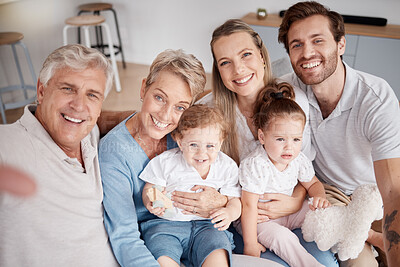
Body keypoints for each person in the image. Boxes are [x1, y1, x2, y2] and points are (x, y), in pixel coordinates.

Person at [195, 18, 338, 266]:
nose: (238, 70)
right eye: (225, 63)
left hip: (294, 208)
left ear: (262, 56)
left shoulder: (293, 102)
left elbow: (300, 166)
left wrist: (294, 201)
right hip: (251, 221)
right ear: (218, 70)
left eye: (246, 55)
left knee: (326, 260)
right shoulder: (211, 115)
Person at [278, 1, 400, 266]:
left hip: (375, 194)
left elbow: (392, 190)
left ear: (340, 44)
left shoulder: (375, 98)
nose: (307, 53)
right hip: (330, 197)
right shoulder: (288, 91)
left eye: (318, 40)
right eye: (296, 45)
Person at [99, 49, 234, 267]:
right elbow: (124, 236)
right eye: (159, 97)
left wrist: (224, 202)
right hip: (156, 240)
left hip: (203, 230)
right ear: (144, 88)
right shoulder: (114, 152)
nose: (165, 115)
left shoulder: (189, 136)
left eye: (180, 107)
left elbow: (227, 183)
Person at [0, 44, 118, 266]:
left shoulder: (90, 133)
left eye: (92, 95)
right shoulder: (10, 145)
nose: (79, 105)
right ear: (41, 91)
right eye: (67, 89)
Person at [237, 81, 330, 267]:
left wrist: (320, 198)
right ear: (262, 137)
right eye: (280, 139)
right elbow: (248, 206)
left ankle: (347, 236)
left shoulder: (298, 158)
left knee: (323, 214)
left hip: (290, 213)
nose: (289, 147)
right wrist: (250, 244)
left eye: (296, 139)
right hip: (259, 220)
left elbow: (312, 183)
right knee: (283, 238)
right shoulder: (256, 164)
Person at [139, 104, 241, 267]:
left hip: (208, 227)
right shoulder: (166, 162)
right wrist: (150, 201)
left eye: (210, 146)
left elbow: (234, 200)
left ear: (220, 143)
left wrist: (229, 213)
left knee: (218, 252)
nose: (202, 154)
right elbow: (150, 188)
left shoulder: (227, 167)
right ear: (180, 141)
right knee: (161, 254)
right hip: (167, 225)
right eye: (193, 145)